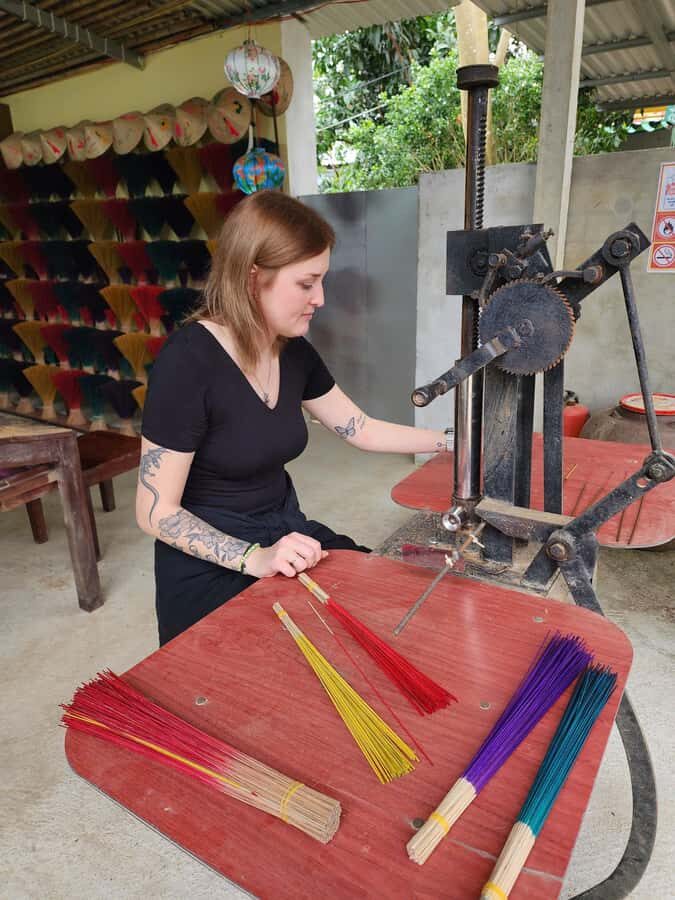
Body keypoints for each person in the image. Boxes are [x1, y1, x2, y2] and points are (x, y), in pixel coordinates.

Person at [136, 191, 450, 646]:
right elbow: (153, 511)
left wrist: (455, 441)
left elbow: (359, 428)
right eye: (306, 284)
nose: (320, 299)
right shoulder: (189, 363)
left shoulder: (293, 351)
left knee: (390, 597)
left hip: (284, 532)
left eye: (321, 282)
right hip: (214, 561)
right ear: (252, 278)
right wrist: (255, 559)